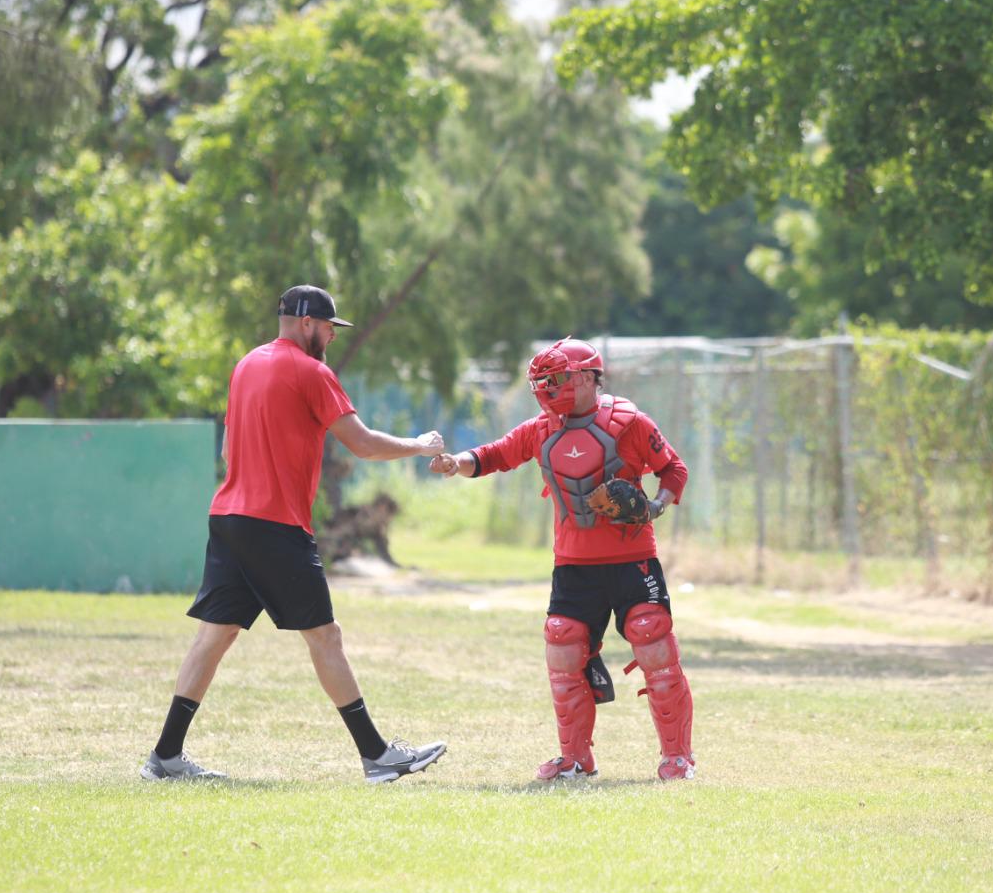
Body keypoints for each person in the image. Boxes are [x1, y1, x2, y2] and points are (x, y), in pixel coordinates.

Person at [141, 284, 448, 785]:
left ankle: (166, 757)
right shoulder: (312, 371)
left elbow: (227, 453)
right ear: (307, 322)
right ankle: (377, 756)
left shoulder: (246, 365)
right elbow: (364, 445)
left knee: (213, 636)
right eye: (329, 326)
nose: (331, 334)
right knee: (325, 635)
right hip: (274, 524)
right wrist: (418, 445)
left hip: (229, 518)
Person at [429, 338, 695, 781]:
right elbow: (496, 454)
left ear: (588, 377)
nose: (548, 389)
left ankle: (678, 757)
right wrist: (457, 462)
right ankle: (575, 759)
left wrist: (656, 505)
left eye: (557, 379)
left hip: (633, 561)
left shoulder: (629, 423)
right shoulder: (541, 428)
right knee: (564, 647)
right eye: (543, 381)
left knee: (653, 644)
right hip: (574, 564)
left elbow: (674, 469)